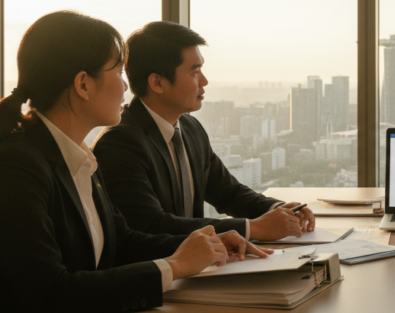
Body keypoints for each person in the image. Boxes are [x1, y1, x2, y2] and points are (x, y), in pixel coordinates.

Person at [0, 11, 270, 313]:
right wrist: (174, 266)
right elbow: (52, 294)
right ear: (83, 84)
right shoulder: (15, 168)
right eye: (117, 73)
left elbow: (122, 241)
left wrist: (205, 245)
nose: (126, 87)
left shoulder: (75, 157)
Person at [93, 21, 314, 240]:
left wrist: (280, 209)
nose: (205, 81)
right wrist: (252, 229)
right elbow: (151, 225)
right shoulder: (120, 143)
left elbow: (228, 193)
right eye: (195, 71)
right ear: (157, 83)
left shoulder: (190, 128)